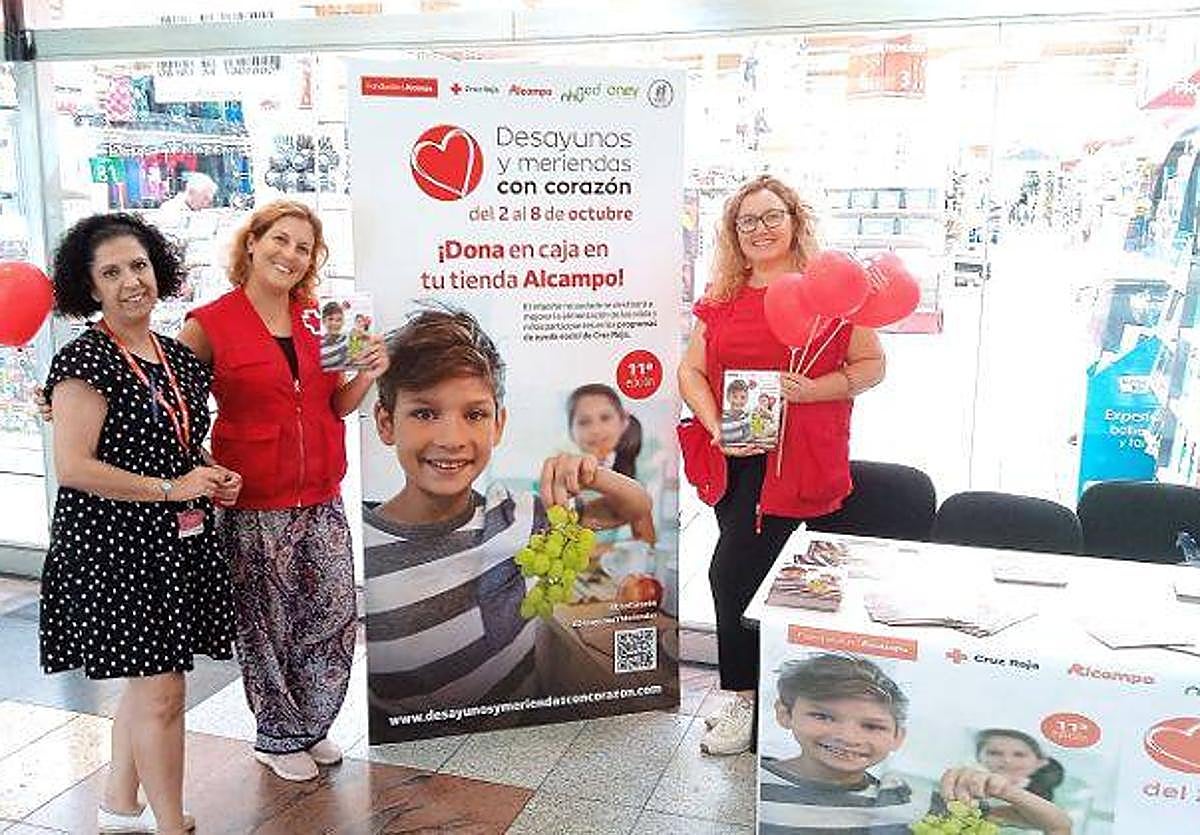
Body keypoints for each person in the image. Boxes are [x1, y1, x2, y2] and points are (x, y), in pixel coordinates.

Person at [41, 213, 241, 835]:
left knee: (148, 684)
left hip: (172, 542)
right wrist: (171, 489)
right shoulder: (84, 360)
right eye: (111, 273)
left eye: (139, 265)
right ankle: (171, 823)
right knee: (162, 692)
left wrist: (208, 472)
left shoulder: (175, 357)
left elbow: (175, 443)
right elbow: (74, 467)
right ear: (90, 287)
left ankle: (120, 804)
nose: (131, 282)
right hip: (113, 548)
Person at [677, 174, 887, 756]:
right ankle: (766, 703)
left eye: (772, 216)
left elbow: (871, 365)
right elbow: (690, 371)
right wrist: (716, 427)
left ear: (795, 221)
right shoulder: (724, 295)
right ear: (733, 232)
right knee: (744, 580)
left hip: (799, 463)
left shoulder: (831, 292)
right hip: (735, 459)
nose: (760, 229)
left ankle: (742, 699)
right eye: (747, 220)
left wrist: (815, 390)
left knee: (731, 576)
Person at [179, 199, 389, 782]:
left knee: (332, 613)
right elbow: (170, 404)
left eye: (303, 247)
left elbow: (336, 405)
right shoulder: (209, 323)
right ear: (252, 242)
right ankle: (275, 736)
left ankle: (310, 725)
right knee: (265, 625)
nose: (290, 255)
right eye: (280, 240)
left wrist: (367, 374)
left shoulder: (326, 319)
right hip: (252, 501)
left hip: (321, 495)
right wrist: (203, 465)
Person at [363, 307, 653, 727]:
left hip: (518, 743)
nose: (451, 439)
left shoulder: (518, 516)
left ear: (498, 425)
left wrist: (593, 473)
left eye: (474, 415)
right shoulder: (362, 545)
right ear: (386, 422)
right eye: (425, 413)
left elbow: (634, 506)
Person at [760, 655, 1071, 835]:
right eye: (823, 716)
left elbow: (1058, 825)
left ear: (898, 737)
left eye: (872, 726)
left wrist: (1006, 791)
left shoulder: (903, 796)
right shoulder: (756, 778)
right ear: (785, 714)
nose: (848, 736)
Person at [565, 383, 656, 543]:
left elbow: (646, 542)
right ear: (571, 431)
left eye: (605, 418)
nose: (596, 430)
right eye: (584, 422)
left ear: (624, 422)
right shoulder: (566, 475)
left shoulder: (639, 471)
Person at [320, 300, 350, 370]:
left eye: (338, 320)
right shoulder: (317, 343)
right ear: (323, 321)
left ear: (343, 322)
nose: (334, 323)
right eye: (330, 319)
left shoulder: (348, 340)